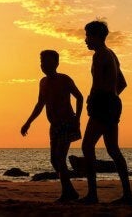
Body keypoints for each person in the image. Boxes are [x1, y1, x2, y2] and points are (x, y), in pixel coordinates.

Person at [80, 20, 132, 205]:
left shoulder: (100, 55)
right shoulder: (112, 54)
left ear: (96, 36)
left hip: (103, 103)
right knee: (113, 149)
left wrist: (93, 100)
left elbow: (96, 84)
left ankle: (93, 195)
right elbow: (122, 84)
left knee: (87, 146)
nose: (85, 40)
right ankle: (127, 194)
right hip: (112, 102)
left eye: (87, 35)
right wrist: (112, 97)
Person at [21, 50, 84, 202]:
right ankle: (70, 191)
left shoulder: (64, 79)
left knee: (60, 158)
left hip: (67, 123)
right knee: (54, 160)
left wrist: (77, 119)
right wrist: (28, 122)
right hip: (54, 126)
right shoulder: (43, 82)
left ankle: (67, 193)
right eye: (42, 62)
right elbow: (40, 104)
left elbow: (79, 97)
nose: (44, 65)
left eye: (48, 62)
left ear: (56, 63)